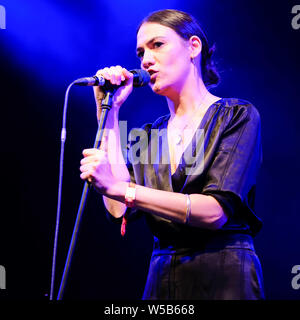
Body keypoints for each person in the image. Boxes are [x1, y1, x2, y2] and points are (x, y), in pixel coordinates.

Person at [79, 9, 265, 300]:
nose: (145, 60)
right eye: (141, 52)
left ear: (193, 47)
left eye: (157, 45)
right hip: (163, 276)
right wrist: (110, 111)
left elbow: (215, 212)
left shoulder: (236, 116)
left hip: (224, 273)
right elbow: (118, 208)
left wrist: (122, 189)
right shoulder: (150, 136)